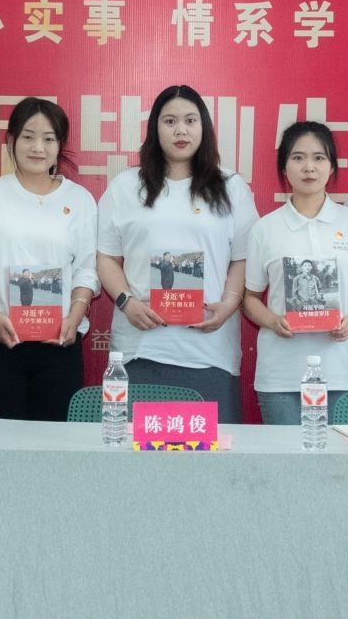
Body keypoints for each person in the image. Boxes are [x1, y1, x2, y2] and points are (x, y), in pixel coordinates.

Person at [96, 85, 259, 423]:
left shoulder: (231, 187)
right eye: (170, 121)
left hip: (209, 351)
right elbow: (107, 257)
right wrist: (126, 301)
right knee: (137, 452)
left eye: (190, 120)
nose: (180, 130)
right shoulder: (126, 186)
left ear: (204, 127)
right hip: (141, 349)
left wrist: (229, 304)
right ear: (155, 128)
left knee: (212, 452)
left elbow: (243, 258)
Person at [0, 97, 98, 420]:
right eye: (28, 137)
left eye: (48, 139)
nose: (38, 147)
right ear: (11, 140)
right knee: (3, 442)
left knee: (55, 443)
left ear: (59, 145)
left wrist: (75, 315)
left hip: (60, 344)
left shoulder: (79, 200)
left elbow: (87, 270)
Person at [244, 121, 348, 423]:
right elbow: (250, 298)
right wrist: (273, 321)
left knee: (340, 454)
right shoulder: (264, 228)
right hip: (280, 374)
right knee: (284, 453)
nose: (309, 167)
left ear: (331, 167)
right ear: (284, 167)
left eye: (319, 158)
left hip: (340, 372)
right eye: (298, 158)